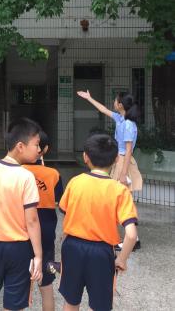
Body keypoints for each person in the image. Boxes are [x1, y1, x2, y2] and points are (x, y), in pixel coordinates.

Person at [59, 133, 138, 311]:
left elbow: (65, 211)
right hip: (101, 252)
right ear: (117, 159)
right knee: (101, 305)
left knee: (70, 301)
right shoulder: (120, 190)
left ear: (85, 157)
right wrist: (121, 260)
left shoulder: (75, 182)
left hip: (72, 247)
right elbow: (132, 235)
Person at [0, 117, 43, 311]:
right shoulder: (26, 177)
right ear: (20, 146)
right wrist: (38, 255)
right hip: (18, 248)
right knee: (15, 304)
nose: (39, 149)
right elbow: (32, 220)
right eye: (36, 144)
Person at [77, 90, 142, 249]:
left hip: (123, 163)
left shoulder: (127, 124)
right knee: (122, 200)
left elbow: (128, 151)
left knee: (120, 200)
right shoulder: (122, 118)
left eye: (115, 100)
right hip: (120, 162)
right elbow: (103, 110)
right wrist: (89, 98)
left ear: (120, 104)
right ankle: (132, 239)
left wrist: (123, 173)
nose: (113, 102)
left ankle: (129, 239)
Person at [22, 130, 63, 311]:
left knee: (19, 282)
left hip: (21, 230)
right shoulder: (53, 174)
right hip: (46, 231)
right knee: (46, 285)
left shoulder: (18, 171)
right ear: (44, 149)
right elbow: (61, 203)